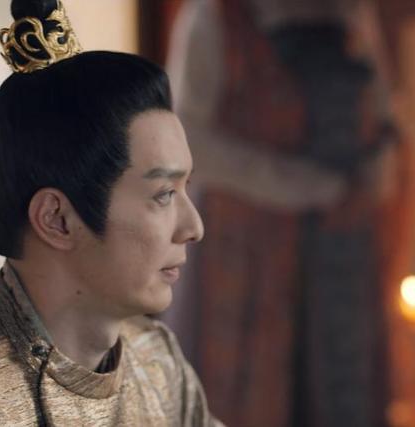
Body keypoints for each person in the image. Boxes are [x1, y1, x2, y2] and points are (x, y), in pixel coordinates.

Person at [0, 0, 223, 425]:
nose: (194, 227)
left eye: (184, 188)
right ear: (56, 219)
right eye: (163, 194)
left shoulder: (158, 362)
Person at [163, 0, 404, 426]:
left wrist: (372, 173)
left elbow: (385, 117)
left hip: (341, 249)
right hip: (246, 253)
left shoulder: (351, 12)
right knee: (250, 392)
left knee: (340, 379)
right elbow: (187, 136)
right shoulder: (216, 15)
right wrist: (303, 184)